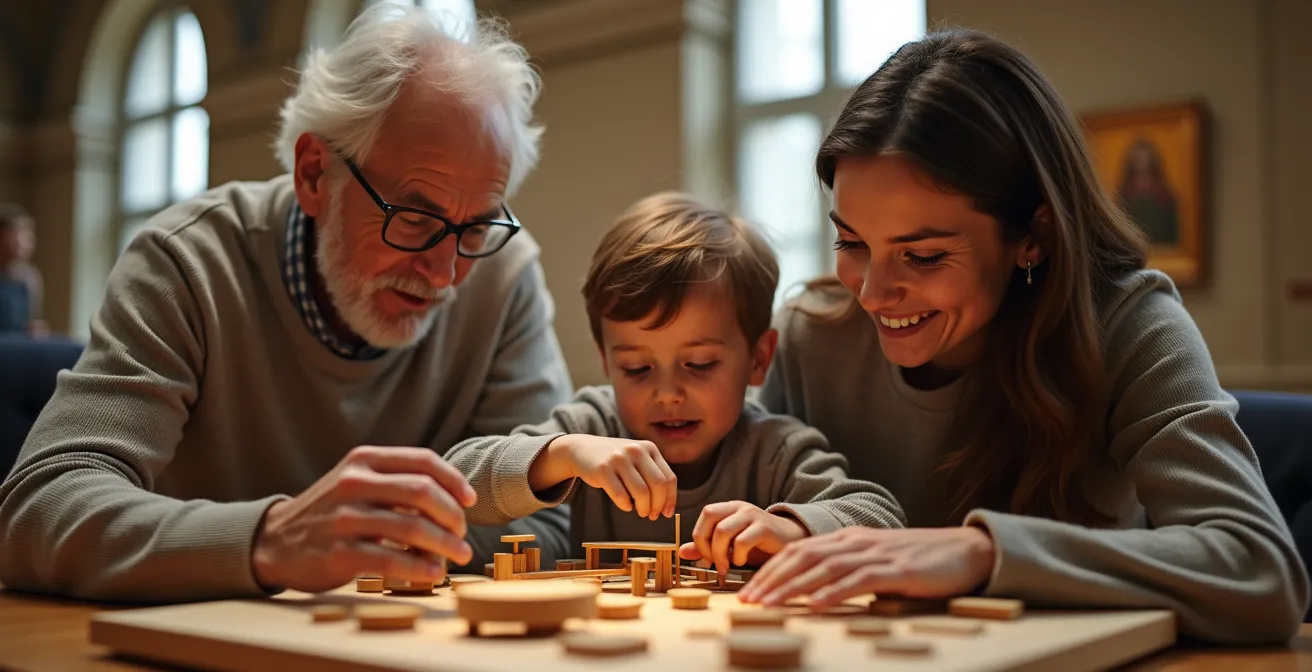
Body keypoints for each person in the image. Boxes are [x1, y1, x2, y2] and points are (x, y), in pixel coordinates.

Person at [740, 29, 1309, 644]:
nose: (873, 294)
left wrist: (984, 553)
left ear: (1032, 236)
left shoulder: (1131, 326)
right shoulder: (807, 337)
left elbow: (1261, 572)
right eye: (851, 242)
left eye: (923, 256)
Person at [0, 5, 574, 603]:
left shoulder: (503, 275)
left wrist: (361, 539)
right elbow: (37, 510)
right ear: (314, 174)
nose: (445, 272)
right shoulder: (189, 261)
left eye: (474, 228)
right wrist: (272, 540)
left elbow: (546, 527)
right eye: (413, 218)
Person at [446, 193, 905, 575]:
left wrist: (791, 529)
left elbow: (882, 520)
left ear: (758, 359)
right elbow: (457, 481)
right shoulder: (590, 430)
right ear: (606, 362)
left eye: (699, 364)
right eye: (637, 369)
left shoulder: (775, 451)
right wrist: (561, 455)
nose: (667, 394)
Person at [0, 203, 46, 336]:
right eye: (19, 233)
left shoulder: (30, 278)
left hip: (15, 343)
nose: (27, 241)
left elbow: (31, 319)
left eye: (29, 234)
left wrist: (34, 328)